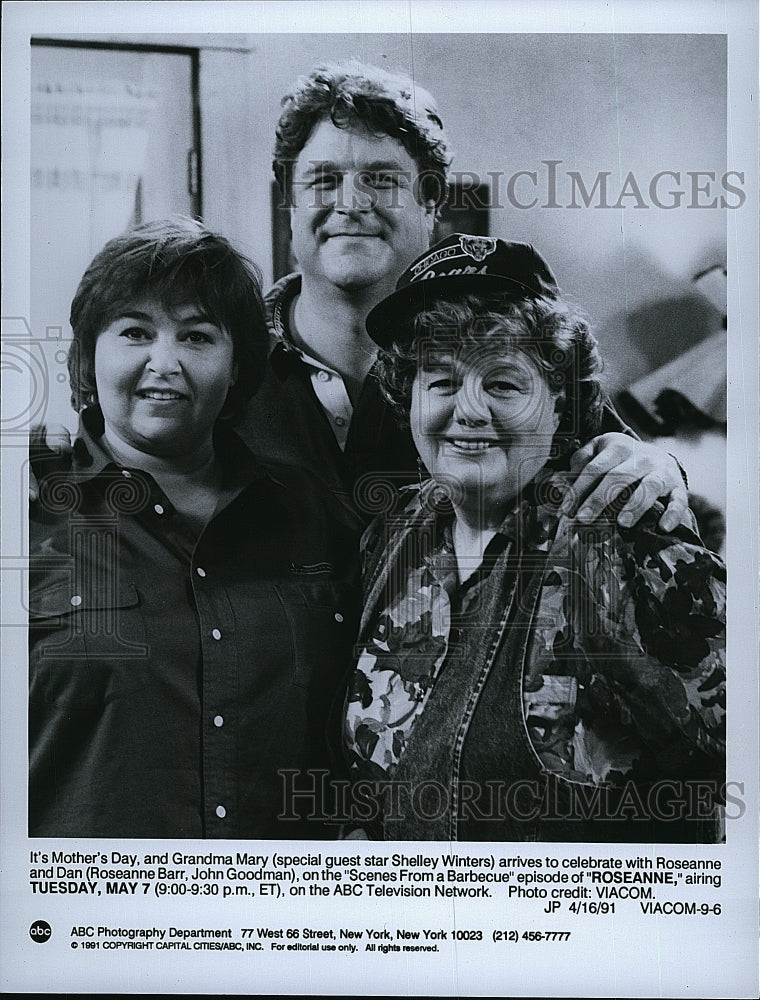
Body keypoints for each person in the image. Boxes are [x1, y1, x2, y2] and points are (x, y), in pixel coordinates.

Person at [31, 61, 690, 529]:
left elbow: (624, 465)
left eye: (381, 178)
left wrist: (656, 462)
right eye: (323, 180)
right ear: (289, 202)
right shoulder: (220, 353)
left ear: (431, 202)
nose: (350, 205)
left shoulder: (495, 355)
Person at [341, 234, 726, 842]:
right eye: (440, 381)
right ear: (407, 399)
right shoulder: (393, 536)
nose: (468, 410)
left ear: (561, 400)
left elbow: (727, 756)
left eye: (502, 384)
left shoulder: (627, 525)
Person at [29, 218, 360, 838]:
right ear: (87, 355)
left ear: (237, 365)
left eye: (198, 336)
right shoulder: (25, 524)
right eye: (134, 332)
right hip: (96, 923)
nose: (166, 362)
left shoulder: (314, 516)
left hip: (285, 923)